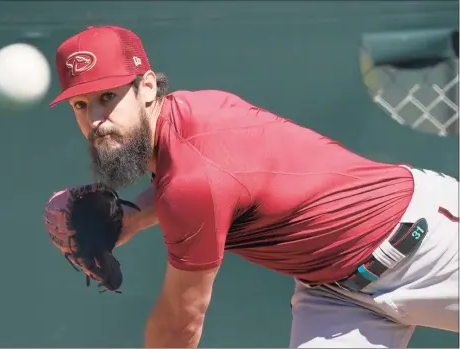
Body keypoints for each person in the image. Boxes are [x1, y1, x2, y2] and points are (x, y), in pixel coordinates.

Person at [44, 25, 459, 348]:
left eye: (108, 97)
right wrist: (133, 218)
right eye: (81, 105)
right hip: (336, 295)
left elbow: (181, 319)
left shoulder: (191, 176)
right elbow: (205, 185)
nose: (96, 119)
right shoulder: (185, 120)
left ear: (147, 87)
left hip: (424, 246)